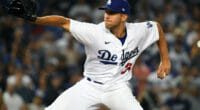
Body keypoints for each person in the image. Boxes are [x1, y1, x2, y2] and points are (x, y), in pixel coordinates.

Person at [6, 0, 171, 109]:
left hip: (118, 88)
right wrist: (36, 19)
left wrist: (165, 59)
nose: (107, 15)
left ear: (124, 16)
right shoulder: (94, 32)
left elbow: (157, 28)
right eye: (106, 11)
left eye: (112, 12)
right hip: (90, 86)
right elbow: (63, 21)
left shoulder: (139, 31)